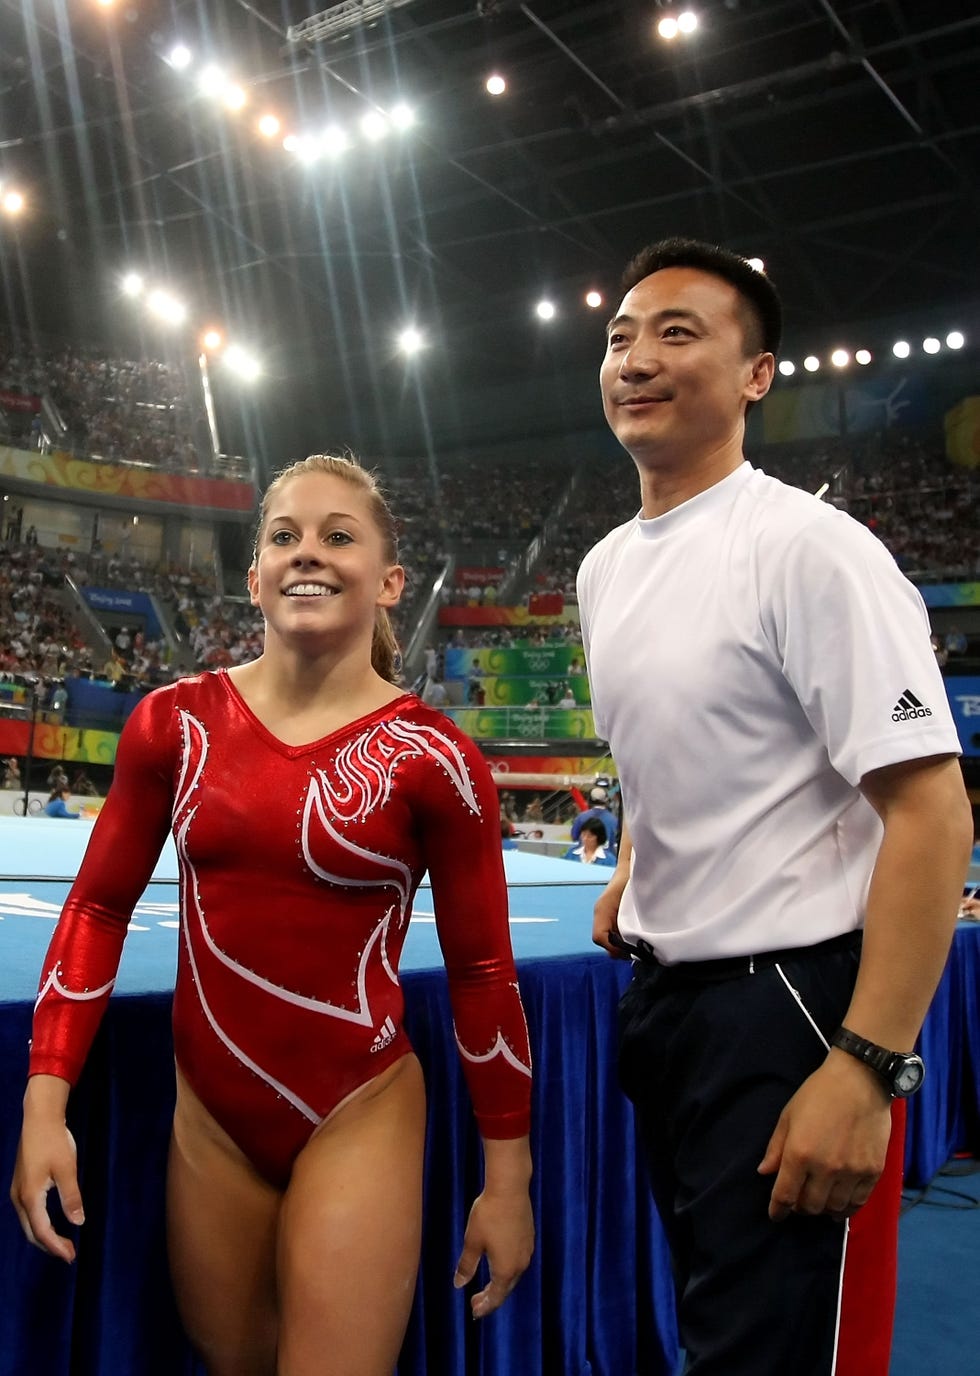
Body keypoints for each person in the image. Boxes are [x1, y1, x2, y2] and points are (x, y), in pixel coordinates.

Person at [11, 454, 534, 1376]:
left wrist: (510, 1177)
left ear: (389, 581)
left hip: (359, 1106)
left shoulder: (434, 759)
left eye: (340, 536)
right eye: (284, 536)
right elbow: (96, 906)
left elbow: (483, 976)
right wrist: (43, 1100)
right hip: (210, 1119)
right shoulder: (173, 725)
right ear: (252, 577)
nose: (309, 555)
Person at [578, 237, 972, 1376]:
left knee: (780, 1349)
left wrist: (864, 1065)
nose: (635, 359)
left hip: (790, 1010)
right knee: (714, 1327)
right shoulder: (606, 565)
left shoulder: (808, 549)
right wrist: (634, 865)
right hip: (665, 1010)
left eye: (676, 333)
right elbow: (697, 747)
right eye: (617, 339)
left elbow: (932, 813)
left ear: (756, 376)